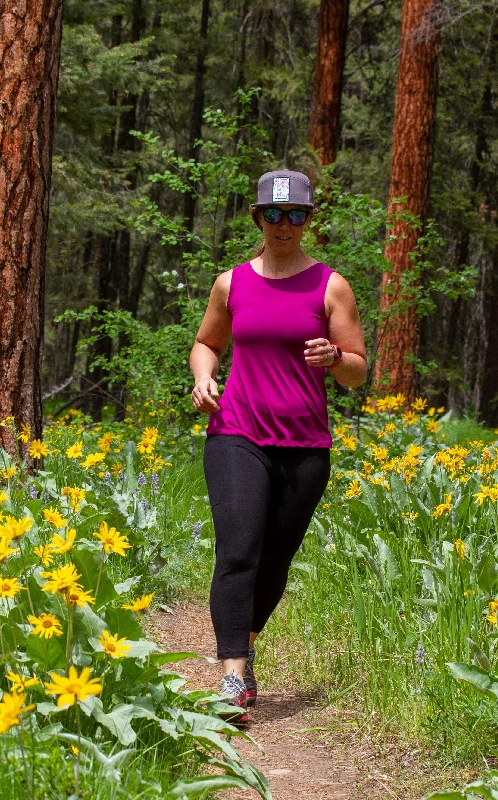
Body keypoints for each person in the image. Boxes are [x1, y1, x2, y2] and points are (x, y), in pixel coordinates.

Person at [189, 170, 367, 723]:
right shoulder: (232, 283)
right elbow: (205, 343)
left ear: (309, 220)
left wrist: (336, 360)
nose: (284, 225)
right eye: (274, 214)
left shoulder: (331, 286)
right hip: (237, 433)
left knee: (275, 559)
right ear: (257, 217)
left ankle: (245, 634)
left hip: (305, 444)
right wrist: (203, 378)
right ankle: (233, 675)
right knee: (238, 549)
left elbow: (359, 372)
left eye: (295, 215)